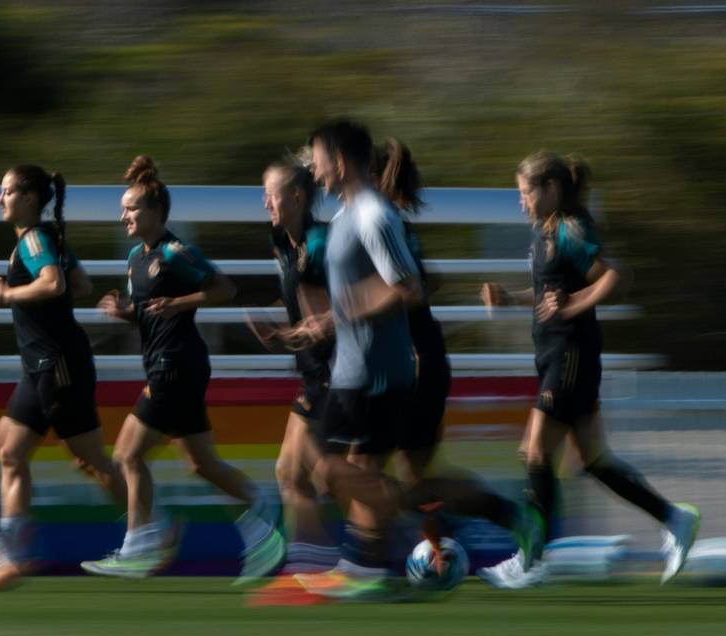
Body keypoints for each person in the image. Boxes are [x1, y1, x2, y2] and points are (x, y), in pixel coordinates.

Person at [477, 151, 699, 588]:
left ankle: (530, 558)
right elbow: (549, 291)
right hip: (556, 355)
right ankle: (674, 518)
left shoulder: (570, 229)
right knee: (593, 461)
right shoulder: (545, 232)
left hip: (571, 355)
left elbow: (616, 276)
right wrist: (511, 298)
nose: (520, 201)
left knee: (536, 451)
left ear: (551, 190)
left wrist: (575, 305)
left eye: (525, 192)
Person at [80, 155, 284, 581]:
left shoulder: (176, 251)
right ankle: (260, 504)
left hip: (177, 364)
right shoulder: (137, 257)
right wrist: (126, 312)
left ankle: (140, 545)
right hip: (168, 363)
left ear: (154, 211)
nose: (124, 216)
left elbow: (224, 288)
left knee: (127, 454)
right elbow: (149, 311)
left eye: (132, 208)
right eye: (123, 209)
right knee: (201, 463)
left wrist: (181, 302)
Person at [374, 138, 536, 569]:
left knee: (358, 470)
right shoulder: (383, 222)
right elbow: (430, 280)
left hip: (412, 362)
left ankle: (378, 559)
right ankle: (469, 534)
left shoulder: (378, 222)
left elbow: (416, 287)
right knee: (413, 477)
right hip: (412, 358)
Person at [0, 164, 127, 588]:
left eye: (5, 192)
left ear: (28, 199)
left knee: (90, 459)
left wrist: (8, 293)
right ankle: (12, 547)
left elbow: (55, 283)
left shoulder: (35, 239)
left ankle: (150, 525)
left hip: (59, 364)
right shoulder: (44, 239)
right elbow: (81, 282)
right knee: (9, 452)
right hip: (39, 367)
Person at [294, 120, 423, 599]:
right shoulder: (346, 216)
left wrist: (354, 306)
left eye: (318, 158)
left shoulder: (373, 214)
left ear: (340, 162)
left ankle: (423, 510)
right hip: (354, 367)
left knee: (328, 470)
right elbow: (357, 297)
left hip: (376, 373)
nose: (313, 167)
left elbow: (408, 287)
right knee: (358, 472)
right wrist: (324, 323)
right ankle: (367, 568)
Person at [246, 151, 342, 576]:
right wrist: (279, 326)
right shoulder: (284, 241)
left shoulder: (321, 244)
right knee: (303, 474)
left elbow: (338, 314)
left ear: (298, 196)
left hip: (336, 373)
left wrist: (294, 334)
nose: (265, 203)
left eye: (271, 195)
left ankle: (316, 565)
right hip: (314, 372)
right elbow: (301, 306)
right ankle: (316, 563)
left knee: (306, 474)